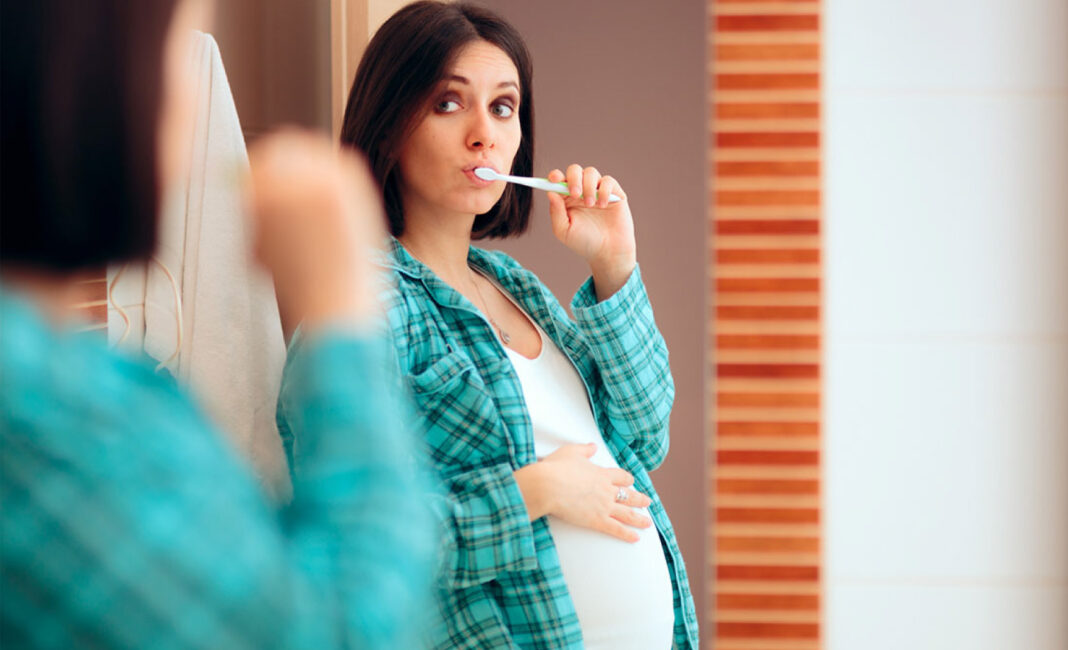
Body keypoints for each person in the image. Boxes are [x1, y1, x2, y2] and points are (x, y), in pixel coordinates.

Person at [0, 1, 434, 648]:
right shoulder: (37, 409)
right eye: (179, 48)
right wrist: (337, 307)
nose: (195, 90)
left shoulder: (90, 387)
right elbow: (336, 631)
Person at [328, 2, 700, 647]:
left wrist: (615, 266)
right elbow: (357, 547)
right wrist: (535, 491)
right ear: (390, 125)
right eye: (449, 103)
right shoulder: (364, 304)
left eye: (503, 107)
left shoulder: (515, 286)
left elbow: (644, 437)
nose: (485, 134)